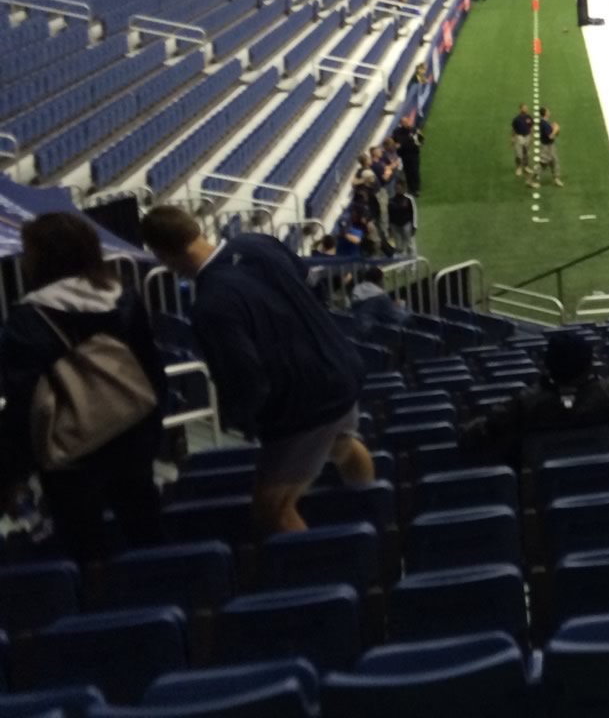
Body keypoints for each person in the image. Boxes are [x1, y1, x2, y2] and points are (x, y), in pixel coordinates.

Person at [139, 207, 371, 535]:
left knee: (272, 508)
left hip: (303, 404)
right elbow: (305, 281)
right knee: (344, 445)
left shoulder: (210, 305)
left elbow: (245, 379)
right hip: (340, 370)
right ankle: (374, 515)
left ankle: (327, 574)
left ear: (162, 254)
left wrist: (243, 418)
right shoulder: (257, 243)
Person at [0, 213, 167, 562]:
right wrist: (152, 434)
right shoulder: (124, 298)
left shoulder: (27, 319)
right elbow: (152, 371)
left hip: (71, 452)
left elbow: (24, 403)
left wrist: (13, 472)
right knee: (145, 533)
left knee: (86, 549)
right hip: (132, 433)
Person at [461, 331, 609, 464]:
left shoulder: (526, 404)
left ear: (548, 365)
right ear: (589, 364)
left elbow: (473, 435)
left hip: (543, 499)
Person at [350, 267, 410, 336]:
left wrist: (392, 305)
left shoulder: (356, 291)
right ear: (380, 280)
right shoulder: (380, 296)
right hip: (373, 333)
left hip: (358, 330)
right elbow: (397, 317)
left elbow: (371, 308)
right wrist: (401, 307)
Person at [391, 117, 423, 195]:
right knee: (407, 172)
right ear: (401, 124)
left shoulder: (413, 130)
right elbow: (394, 142)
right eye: (404, 122)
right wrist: (395, 145)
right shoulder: (397, 132)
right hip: (404, 155)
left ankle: (416, 189)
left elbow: (421, 139)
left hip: (413, 154)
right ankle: (410, 188)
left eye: (407, 122)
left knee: (414, 171)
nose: (406, 123)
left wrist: (419, 144)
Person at [537, 106, 563, 187]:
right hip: (547, 147)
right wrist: (555, 129)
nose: (549, 112)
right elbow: (550, 136)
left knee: (554, 162)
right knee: (543, 164)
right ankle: (531, 179)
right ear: (545, 113)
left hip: (549, 146)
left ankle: (556, 178)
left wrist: (553, 128)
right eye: (548, 111)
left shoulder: (544, 122)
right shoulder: (544, 123)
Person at [386, 186, 415, 255]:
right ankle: (402, 262)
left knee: (409, 244)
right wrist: (389, 227)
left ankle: (413, 260)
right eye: (397, 188)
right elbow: (389, 214)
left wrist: (414, 226)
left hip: (406, 224)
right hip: (395, 225)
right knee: (398, 246)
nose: (398, 190)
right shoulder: (391, 201)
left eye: (400, 188)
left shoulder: (408, 199)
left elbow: (413, 213)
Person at [511, 104, 534, 180]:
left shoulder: (529, 117)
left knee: (526, 153)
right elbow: (514, 129)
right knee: (519, 154)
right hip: (519, 137)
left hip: (527, 136)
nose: (526, 109)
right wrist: (513, 138)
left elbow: (531, 126)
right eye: (524, 108)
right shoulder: (516, 119)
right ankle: (519, 168)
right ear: (520, 109)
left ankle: (526, 166)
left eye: (526, 108)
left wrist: (531, 136)